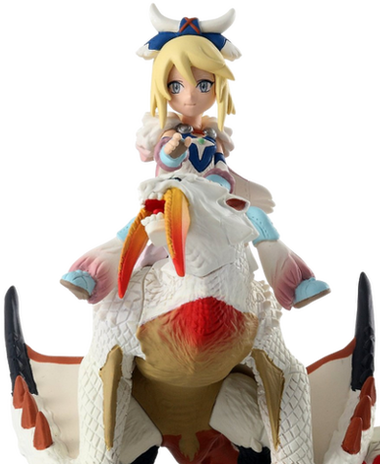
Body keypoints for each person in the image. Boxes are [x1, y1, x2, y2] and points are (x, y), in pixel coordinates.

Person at [60, 5, 332, 310]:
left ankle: (294, 283)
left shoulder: (214, 136)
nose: (190, 96)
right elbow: (164, 163)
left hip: (213, 200)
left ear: (218, 87)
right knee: (138, 225)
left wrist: (219, 183)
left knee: (258, 217)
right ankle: (93, 273)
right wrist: (172, 153)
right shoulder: (168, 132)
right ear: (163, 89)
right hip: (175, 198)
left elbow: (221, 170)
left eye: (203, 85)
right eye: (176, 86)